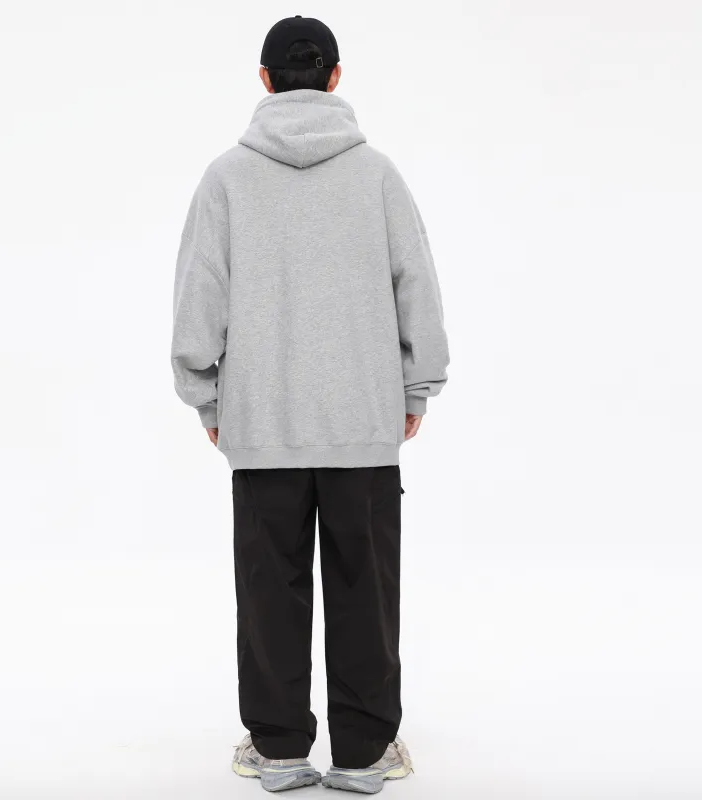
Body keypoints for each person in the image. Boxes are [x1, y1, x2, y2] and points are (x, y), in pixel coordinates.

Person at [172, 15, 449, 794]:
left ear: (264, 80)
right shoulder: (378, 176)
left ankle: (279, 750)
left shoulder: (226, 178)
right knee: (366, 591)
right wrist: (416, 383)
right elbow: (417, 286)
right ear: (336, 77)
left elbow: (199, 296)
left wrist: (206, 395)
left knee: (270, 591)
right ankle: (363, 754)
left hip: (261, 423)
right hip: (363, 421)